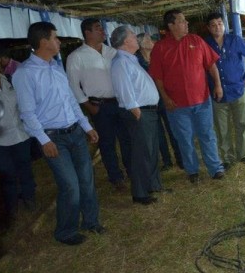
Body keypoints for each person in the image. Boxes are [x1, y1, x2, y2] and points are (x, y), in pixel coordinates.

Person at [12, 21, 105, 245]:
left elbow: (70, 101)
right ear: (44, 42)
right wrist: (44, 140)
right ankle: (65, 231)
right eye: (55, 37)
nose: (59, 41)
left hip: (74, 131)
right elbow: (27, 112)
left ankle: (91, 221)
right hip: (54, 137)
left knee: (86, 179)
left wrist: (86, 126)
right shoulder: (25, 73)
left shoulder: (55, 66)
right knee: (70, 185)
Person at [149, 9, 225, 183]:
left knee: (207, 135)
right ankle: (192, 171)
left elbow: (211, 65)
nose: (186, 24)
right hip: (177, 106)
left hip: (202, 100)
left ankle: (215, 168)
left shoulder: (196, 41)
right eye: (182, 21)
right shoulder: (160, 48)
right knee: (185, 139)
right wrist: (165, 98)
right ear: (171, 25)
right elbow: (157, 77)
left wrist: (218, 86)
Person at [66, 18, 131, 191]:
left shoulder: (112, 52)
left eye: (102, 28)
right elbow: (73, 86)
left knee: (127, 138)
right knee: (107, 143)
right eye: (97, 28)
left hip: (120, 102)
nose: (103, 31)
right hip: (99, 106)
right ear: (87, 32)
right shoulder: (76, 57)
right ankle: (115, 177)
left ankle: (132, 170)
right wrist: (89, 106)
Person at [111, 26, 169, 205]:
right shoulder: (121, 62)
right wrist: (135, 110)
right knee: (141, 153)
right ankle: (140, 193)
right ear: (125, 41)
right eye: (132, 35)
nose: (136, 38)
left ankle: (152, 184)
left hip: (146, 110)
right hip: (139, 112)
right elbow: (124, 89)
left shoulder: (130, 59)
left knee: (150, 151)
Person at [204, 12, 245, 169]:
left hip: (238, 90)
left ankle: (243, 154)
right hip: (218, 94)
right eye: (214, 25)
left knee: (241, 123)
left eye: (220, 23)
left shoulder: (234, 40)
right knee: (222, 128)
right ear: (208, 28)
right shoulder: (205, 45)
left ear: (224, 24)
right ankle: (227, 158)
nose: (218, 27)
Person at [0, 55, 37, 224]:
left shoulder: (9, 80)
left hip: (21, 135)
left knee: (25, 168)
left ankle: (29, 199)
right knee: (7, 174)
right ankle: (12, 209)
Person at [135, 33, 183, 171]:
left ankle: (180, 158)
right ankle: (167, 161)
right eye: (149, 40)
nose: (152, 41)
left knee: (173, 129)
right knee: (158, 132)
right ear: (142, 45)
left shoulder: (158, 56)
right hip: (149, 101)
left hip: (165, 97)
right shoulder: (137, 61)